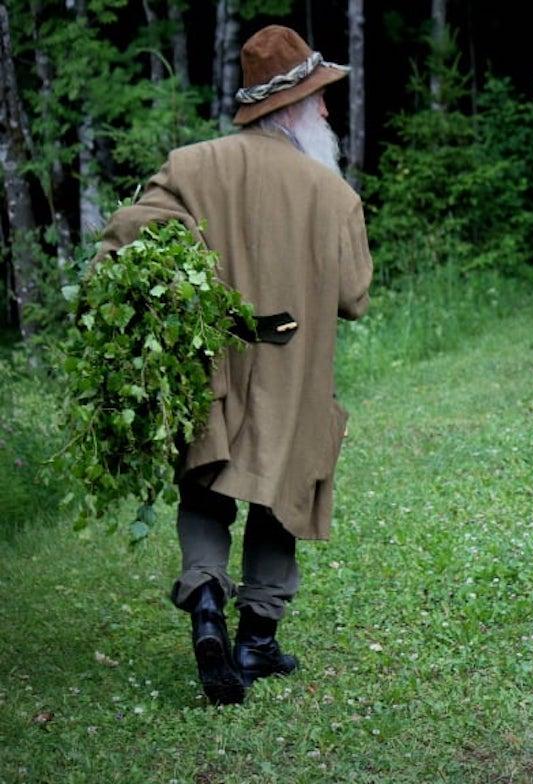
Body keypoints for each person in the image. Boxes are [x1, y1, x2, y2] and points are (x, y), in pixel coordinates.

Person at [95, 25, 373, 705]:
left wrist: (203, 281)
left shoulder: (191, 166)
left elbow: (124, 241)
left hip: (210, 372)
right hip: (293, 374)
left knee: (206, 493)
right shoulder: (330, 192)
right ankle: (257, 641)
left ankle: (208, 611)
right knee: (281, 503)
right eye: (322, 100)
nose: (329, 112)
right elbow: (353, 297)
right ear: (298, 107)